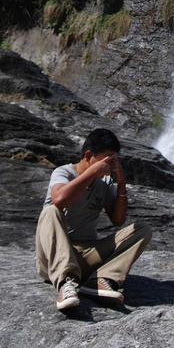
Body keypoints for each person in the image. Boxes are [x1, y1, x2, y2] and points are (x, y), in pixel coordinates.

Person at [35, 127, 153, 310]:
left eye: (114, 159)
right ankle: (66, 282)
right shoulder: (64, 173)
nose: (111, 164)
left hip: (87, 254)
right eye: (107, 159)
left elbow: (118, 219)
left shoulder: (104, 183)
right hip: (54, 256)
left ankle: (101, 279)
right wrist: (92, 172)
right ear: (89, 155)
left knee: (142, 229)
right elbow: (59, 199)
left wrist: (121, 183)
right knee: (50, 211)